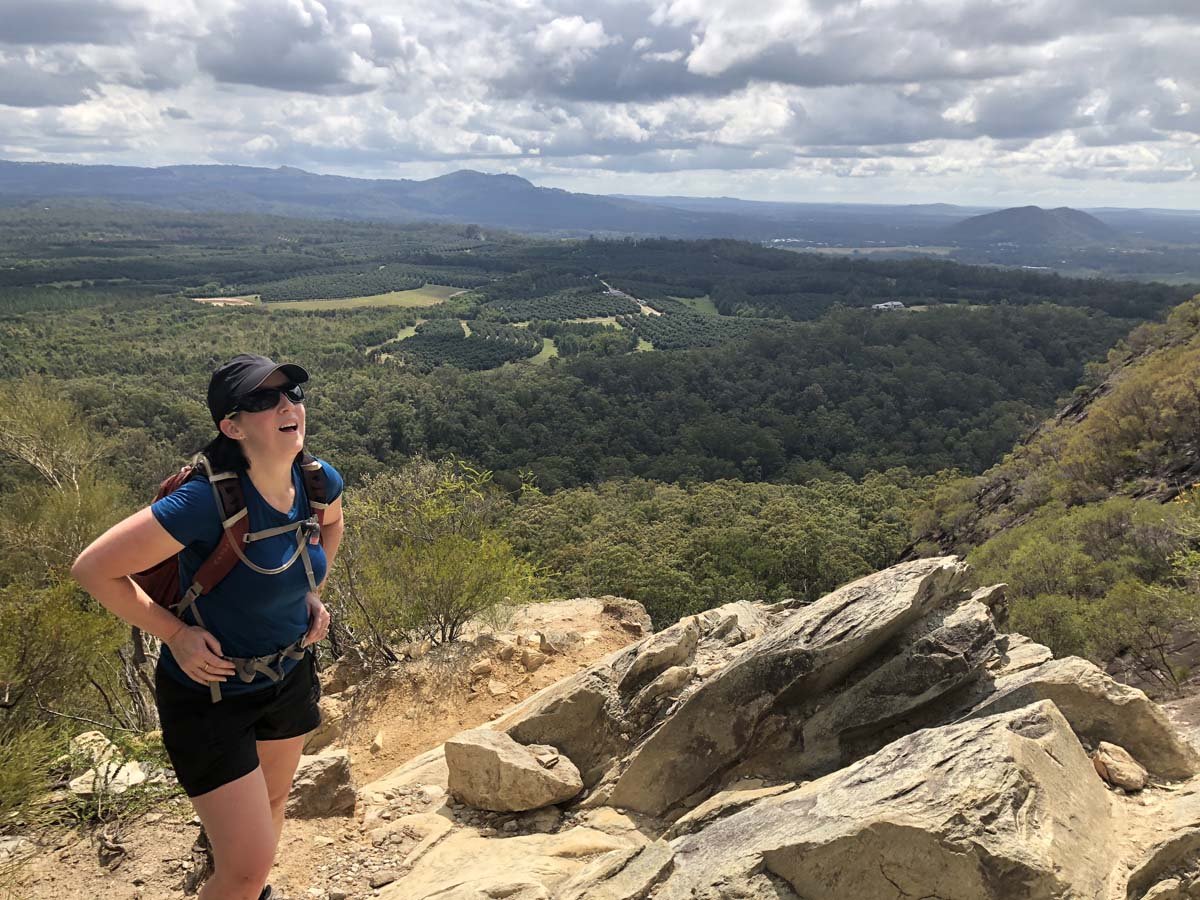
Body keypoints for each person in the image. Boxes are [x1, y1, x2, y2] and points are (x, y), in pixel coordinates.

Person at [71, 354, 346, 900]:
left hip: (288, 674)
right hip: (211, 696)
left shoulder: (316, 480)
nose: (287, 406)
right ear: (232, 426)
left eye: (292, 393)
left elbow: (332, 525)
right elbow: (93, 569)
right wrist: (175, 634)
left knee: (271, 807)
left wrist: (309, 591)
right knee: (244, 871)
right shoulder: (204, 502)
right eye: (263, 400)